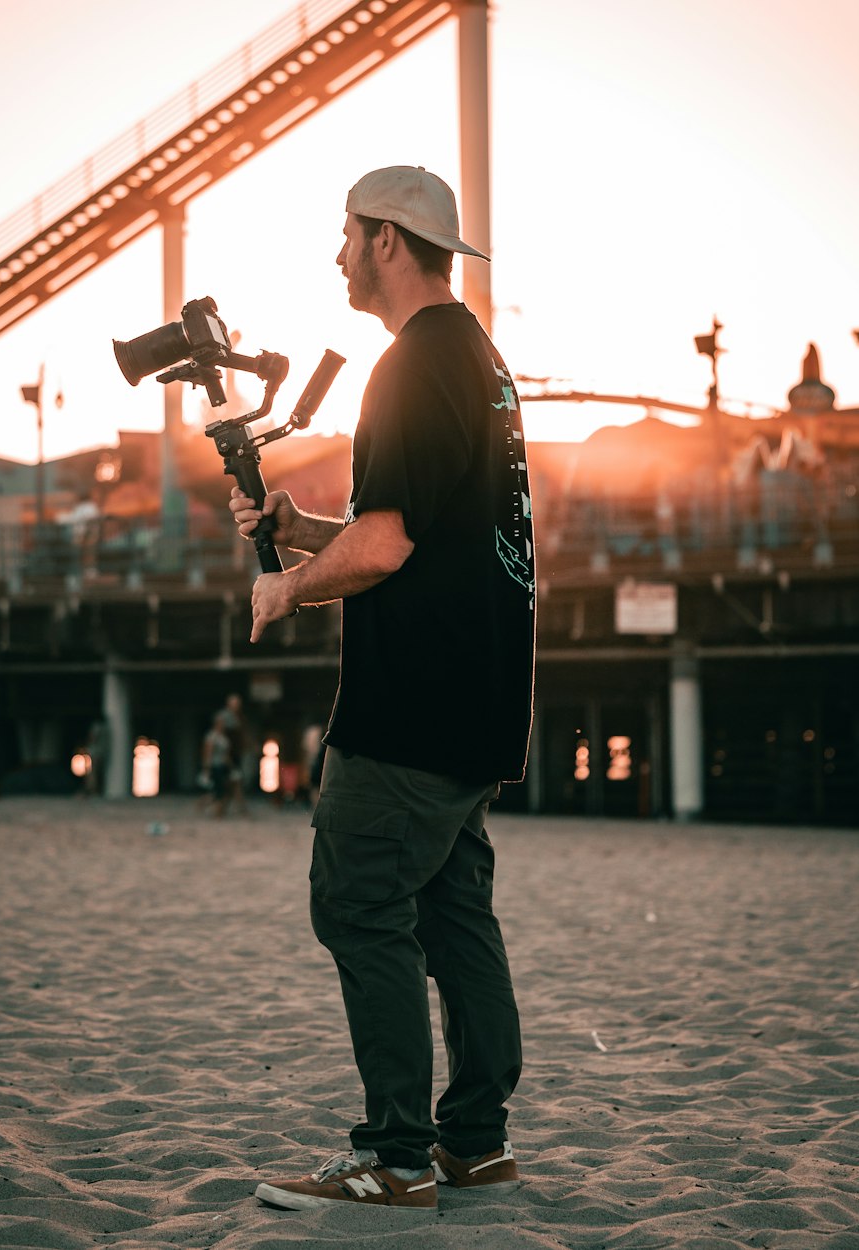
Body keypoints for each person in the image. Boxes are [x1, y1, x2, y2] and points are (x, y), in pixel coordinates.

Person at [229, 166, 536, 1212]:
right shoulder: (478, 362)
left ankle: (394, 1154)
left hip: (408, 705)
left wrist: (286, 589)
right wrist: (305, 531)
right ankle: (475, 1141)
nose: (337, 254)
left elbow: (387, 547)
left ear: (389, 241)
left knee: (357, 905)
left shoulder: (406, 367)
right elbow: (413, 531)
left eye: (347, 234)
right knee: (454, 921)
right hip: (481, 700)